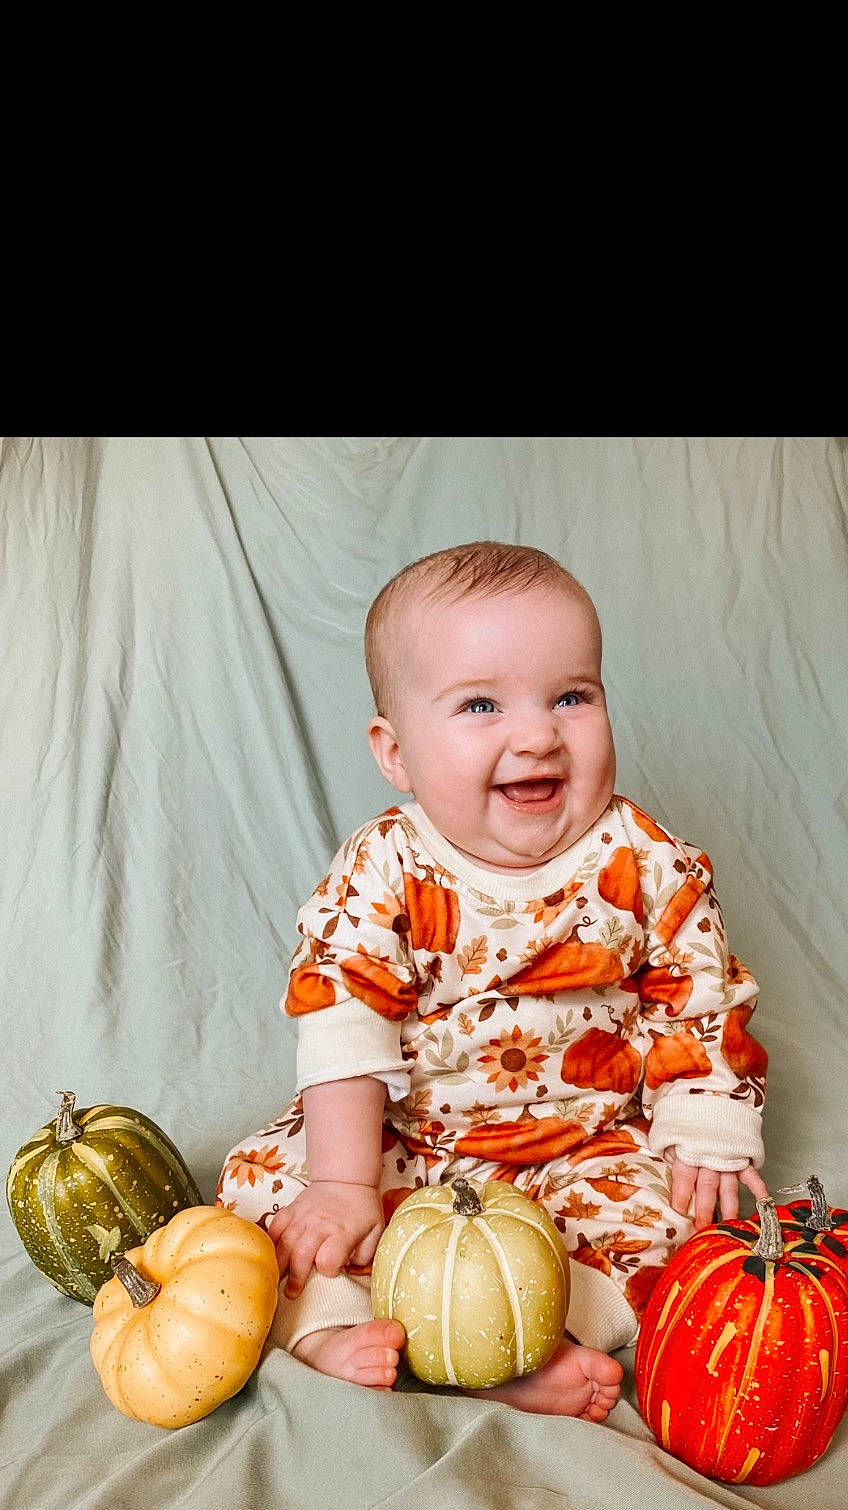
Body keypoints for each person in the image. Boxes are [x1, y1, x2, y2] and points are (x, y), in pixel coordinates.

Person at [217, 542, 769, 1422]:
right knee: (266, 1187)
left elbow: (697, 992)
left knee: (682, 1226)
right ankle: (332, 1324)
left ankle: (534, 1339)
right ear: (395, 755)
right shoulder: (384, 868)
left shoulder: (645, 860)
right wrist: (347, 1184)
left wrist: (702, 1121)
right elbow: (342, 1017)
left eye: (572, 696)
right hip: (416, 1142)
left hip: (587, 1141)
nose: (538, 733)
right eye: (481, 703)